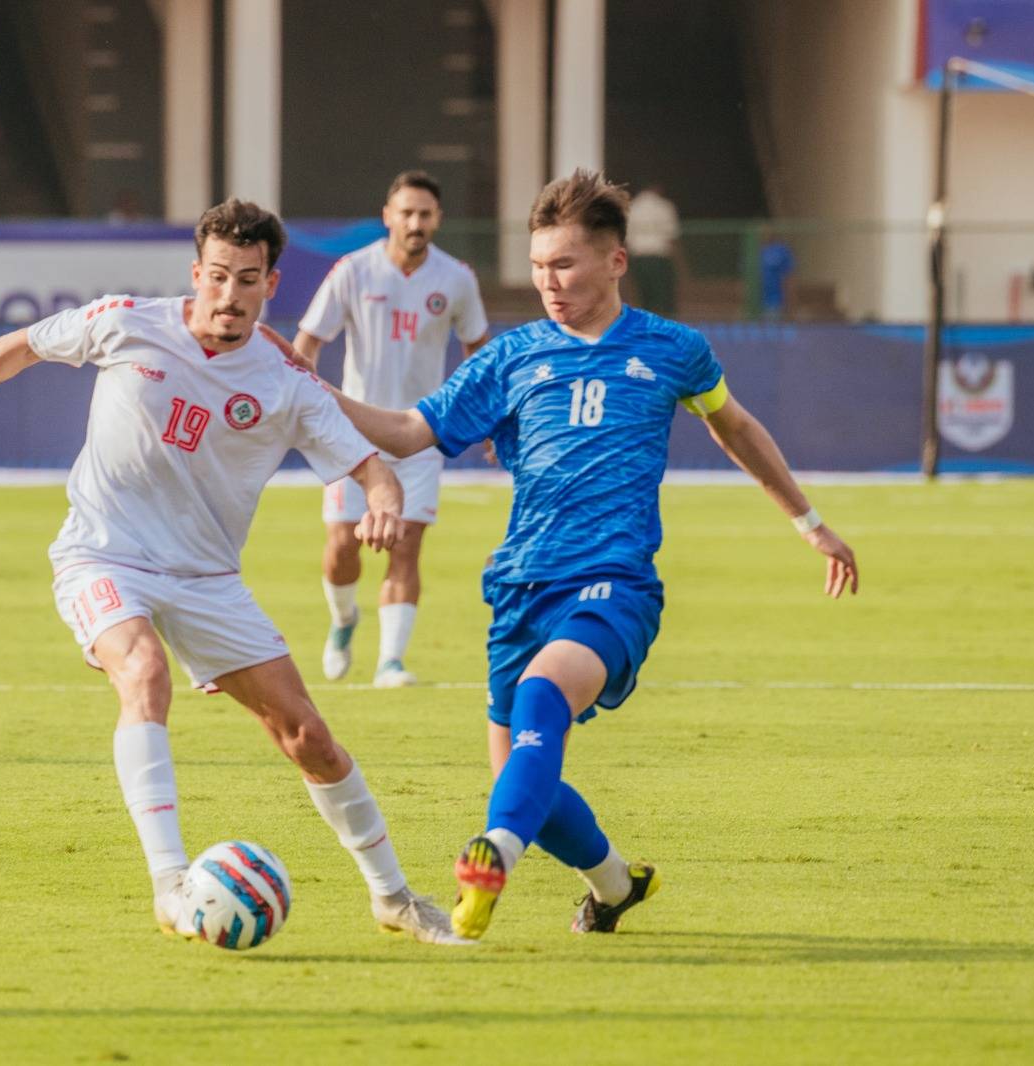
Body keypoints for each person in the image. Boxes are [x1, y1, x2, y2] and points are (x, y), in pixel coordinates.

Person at [0, 198, 465, 946]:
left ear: (270, 284)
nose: (229, 294)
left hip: (206, 579)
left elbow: (368, 463)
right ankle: (169, 885)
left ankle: (394, 898)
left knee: (308, 736)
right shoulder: (127, 321)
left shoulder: (285, 383)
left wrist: (382, 499)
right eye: (217, 275)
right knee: (144, 672)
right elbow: (23, 346)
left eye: (246, 279)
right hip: (103, 553)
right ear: (196, 273)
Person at [318, 170, 860, 941]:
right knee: (526, 780)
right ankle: (615, 886)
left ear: (615, 261)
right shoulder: (513, 357)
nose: (549, 282)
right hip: (519, 588)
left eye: (565, 264)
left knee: (543, 700)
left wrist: (810, 523)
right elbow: (409, 432)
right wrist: (307, 389)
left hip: (614, 584)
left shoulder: (673, 349)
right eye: (539, 266)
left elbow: (734, 426)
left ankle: (493, 853)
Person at [293, 170, 490, 688]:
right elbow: (308, 341)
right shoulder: (353, 271)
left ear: (438, 218)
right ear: (388, 216)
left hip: (422, 432)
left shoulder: (456, 278)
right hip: (352, 433)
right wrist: (298, 402)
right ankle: (343, 619)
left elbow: (478, 352)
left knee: (406, 546)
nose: (415, 223)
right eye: (406, 213)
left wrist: (489, 418)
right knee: (343, 546)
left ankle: (390, 661)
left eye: (425, 214)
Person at [625, 182, 680, 316]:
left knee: (644, 295)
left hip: (638, 255)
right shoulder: (665, 206)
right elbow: (671, 235)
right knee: (664, 296)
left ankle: (647, 323)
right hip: (660, 255)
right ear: (656, 188)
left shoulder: (631, 207)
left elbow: (627, 238)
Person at [759, 227, 796, 322]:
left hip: (775, 302)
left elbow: (788, 278)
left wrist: (789, 303)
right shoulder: (760, 251)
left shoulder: (782, 251)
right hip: (758, 302)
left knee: (772, 324)